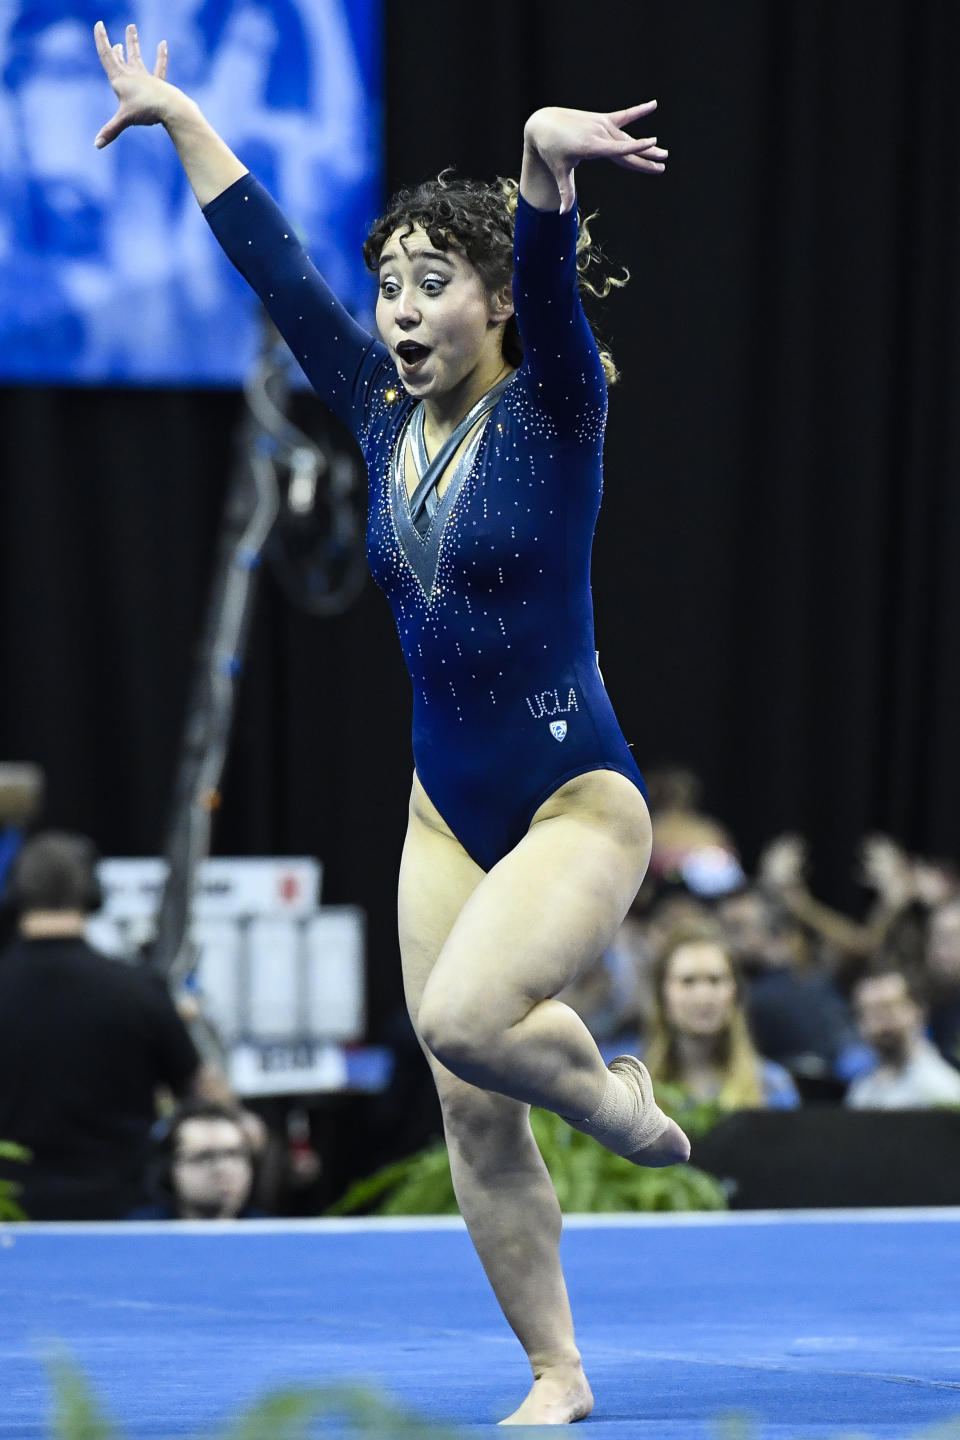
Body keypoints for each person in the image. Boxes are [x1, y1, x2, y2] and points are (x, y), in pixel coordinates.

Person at [93, 23, 689, 1426]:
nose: (400, 309)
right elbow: (277, 264)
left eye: (433, 283)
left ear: (492, 301)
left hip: (572, 805)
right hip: (444, 809)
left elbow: (549, 248)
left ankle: (615, 1096)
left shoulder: (558, 408)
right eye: (392, 287)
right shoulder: (373, 407)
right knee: (468, 1097)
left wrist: (545, 151)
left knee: (471, 1017)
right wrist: (180, 114)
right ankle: (558, 1370)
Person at [0, 831, 203, 1218]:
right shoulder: (140, 990)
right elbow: (200, 1098)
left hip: (9, 1215)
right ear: (94, 895)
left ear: (15, 895)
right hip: (123, 1210)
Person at [643, 922, 801, 1111]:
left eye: (715, 980)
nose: (703, 997)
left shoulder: (772, 1085)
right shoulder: (633, 1090)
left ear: (736, 992)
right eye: (688, 981)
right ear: (662, 996)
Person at [844, 966, 960, 1109]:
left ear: (918, 1010)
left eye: (889, 1008)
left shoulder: (943, 1089)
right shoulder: (860, 1092)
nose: (881, 1021)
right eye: (869, 1013)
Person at [129, 1100, 266, 1220]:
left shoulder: (272, 1232)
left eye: (234, 1154)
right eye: (203, 1157)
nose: (223, 1168)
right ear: (169, 1169)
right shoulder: (135, 1234)